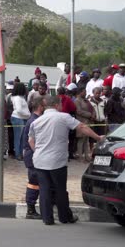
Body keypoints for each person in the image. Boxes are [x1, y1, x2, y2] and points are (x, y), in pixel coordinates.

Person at [28, 95, 104, 225]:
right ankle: (64, 217)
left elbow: (31, 140)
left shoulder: (36, 121)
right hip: (57, 160)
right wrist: (98, 138)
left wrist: (38, 153)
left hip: (40, 160)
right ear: (57, 105)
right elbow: (82, 127)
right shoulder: (64, 117)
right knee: (60, 189)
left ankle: (47, 218)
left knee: (44, 189)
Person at [22, 96, 44, 219]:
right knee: (34, 183)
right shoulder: (35, 121)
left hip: (32, 154)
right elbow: (32, 141)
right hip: (33, 155)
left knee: (36, 182)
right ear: (40, 106)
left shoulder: (34, 119)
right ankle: (30, 210)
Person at [74, 87, 96, 162]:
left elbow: (93, 108)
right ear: (80, 92)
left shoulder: (86, 100)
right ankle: (80, 157)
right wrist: (90, 115)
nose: (86, 93)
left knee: (86, 140)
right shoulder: (77, 101)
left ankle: (87, 156)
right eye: (84, 92)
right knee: (81, 140)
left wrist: (93, 114)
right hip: (81, 122)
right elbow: (79, 111)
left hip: (88, 122)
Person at [10, 83, 30, 161]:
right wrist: (28, 115)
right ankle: (18, 154)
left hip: (22, 118)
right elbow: (19, 110)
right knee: (18, 138)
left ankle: (21, 154)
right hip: (18, 118)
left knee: (22, 138)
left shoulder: (21, 97)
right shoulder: (18, 98)